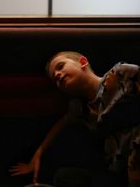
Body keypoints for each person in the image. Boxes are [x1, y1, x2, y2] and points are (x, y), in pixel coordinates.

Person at [9, 51, 140, 187]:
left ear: (83, 62)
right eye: (54, 79)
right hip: (118, 173)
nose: (57, 75)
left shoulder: (119, 74)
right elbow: (61, 125)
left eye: (60, 66)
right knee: (64, 176)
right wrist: (38, 154)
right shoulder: (81, 109)